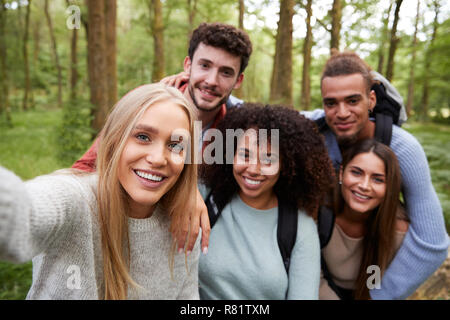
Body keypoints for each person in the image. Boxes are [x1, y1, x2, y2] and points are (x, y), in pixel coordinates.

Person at [0, 83, 200, 299]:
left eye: (176, 145)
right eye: (142, 137)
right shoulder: (76, 199)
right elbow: (22, 214)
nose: (158, 158)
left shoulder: (183, 224)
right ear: (114, 141)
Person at [72, 22, 253, 254]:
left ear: (238, 80)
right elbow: (85, 168)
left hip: (181, 256)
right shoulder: (146, 105)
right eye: (204, 66)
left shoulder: (234, 126)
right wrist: (187, 189)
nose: (211, 80)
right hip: (119, 239)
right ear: (188, 66)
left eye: (226, 72)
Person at [305, 51, 449, 299]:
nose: (341, 112)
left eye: (352, 101)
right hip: (325, 250)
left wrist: (378, 295)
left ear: (371, 100)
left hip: (373, 258)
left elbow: (431, 242)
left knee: (396, 224)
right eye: (331, 103)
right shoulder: (315, 128)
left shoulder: (404, 149)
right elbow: (257, 115)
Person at [198, 104, 334, 299]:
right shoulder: (206, 196)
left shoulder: (299, 228)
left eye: (268, 159)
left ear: (286, 165)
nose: (254, 169)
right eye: (245, 155)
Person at [319, 139, 409, 300]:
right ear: (341, 173)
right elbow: (312, 278)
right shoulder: (318, 212)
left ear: (389, 187)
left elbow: (375, 283)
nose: (364, 185)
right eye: (356, 172)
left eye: (378, 179)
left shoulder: (397, 229)